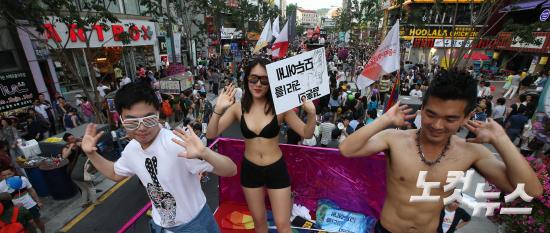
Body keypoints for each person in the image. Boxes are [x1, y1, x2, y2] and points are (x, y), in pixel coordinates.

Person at [339, 71, 542, 233]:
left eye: (450, 119)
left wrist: (501, 140)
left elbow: (531, 192)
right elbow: (347, 149)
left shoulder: (471, 152)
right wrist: (385, 120)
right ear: (422, 109)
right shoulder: (395, 138)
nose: (437, 125)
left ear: (466, 117)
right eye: (431, 114)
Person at [81, 82, 237, 232]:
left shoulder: (177, 143)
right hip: (159, 225)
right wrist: (91, 153)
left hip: (193, 224)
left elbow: (231, 170)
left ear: (157, 113)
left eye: (148, 119)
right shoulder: (131, 149)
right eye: (131, 122)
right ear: (121, 120)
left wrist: (205, 152)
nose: (141, 128)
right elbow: (115, 173)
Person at [206, 58, 316, 233]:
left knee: (283, 225)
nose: (258, 84)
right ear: (246, 79)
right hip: (251, 170)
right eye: (253, 79)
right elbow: (211, 134)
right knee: (259, 223)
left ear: (271, 82)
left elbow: (307, 133)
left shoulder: (281, 107)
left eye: (264, 80)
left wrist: (311, 114)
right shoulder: (237, 108)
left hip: (276, 169)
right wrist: (218, 109)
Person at [0, 165, 45, 233]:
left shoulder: (22, 179)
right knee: (27, 225)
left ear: (13, 172)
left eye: (9, 174)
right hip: (17, 210)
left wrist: (38, 202)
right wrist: (12, 207)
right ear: (0, 176)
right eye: (4, 175)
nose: (7, 176)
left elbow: (31, 190)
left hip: (30, 205)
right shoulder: (1, 186)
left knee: (37, 220)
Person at [61, 133, 100, 208]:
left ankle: (84, 203)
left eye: (73, 137)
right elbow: (64, 156)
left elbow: (88, 145)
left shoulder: (78, 144)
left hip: (79, 170)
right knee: (90, 186)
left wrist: (82, 139)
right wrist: (71, 147)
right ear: (67, 141)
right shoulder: (66, 147)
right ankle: (95, 201)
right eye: (71, 139)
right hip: (74, 169)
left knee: (84, 188)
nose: (73, 139)